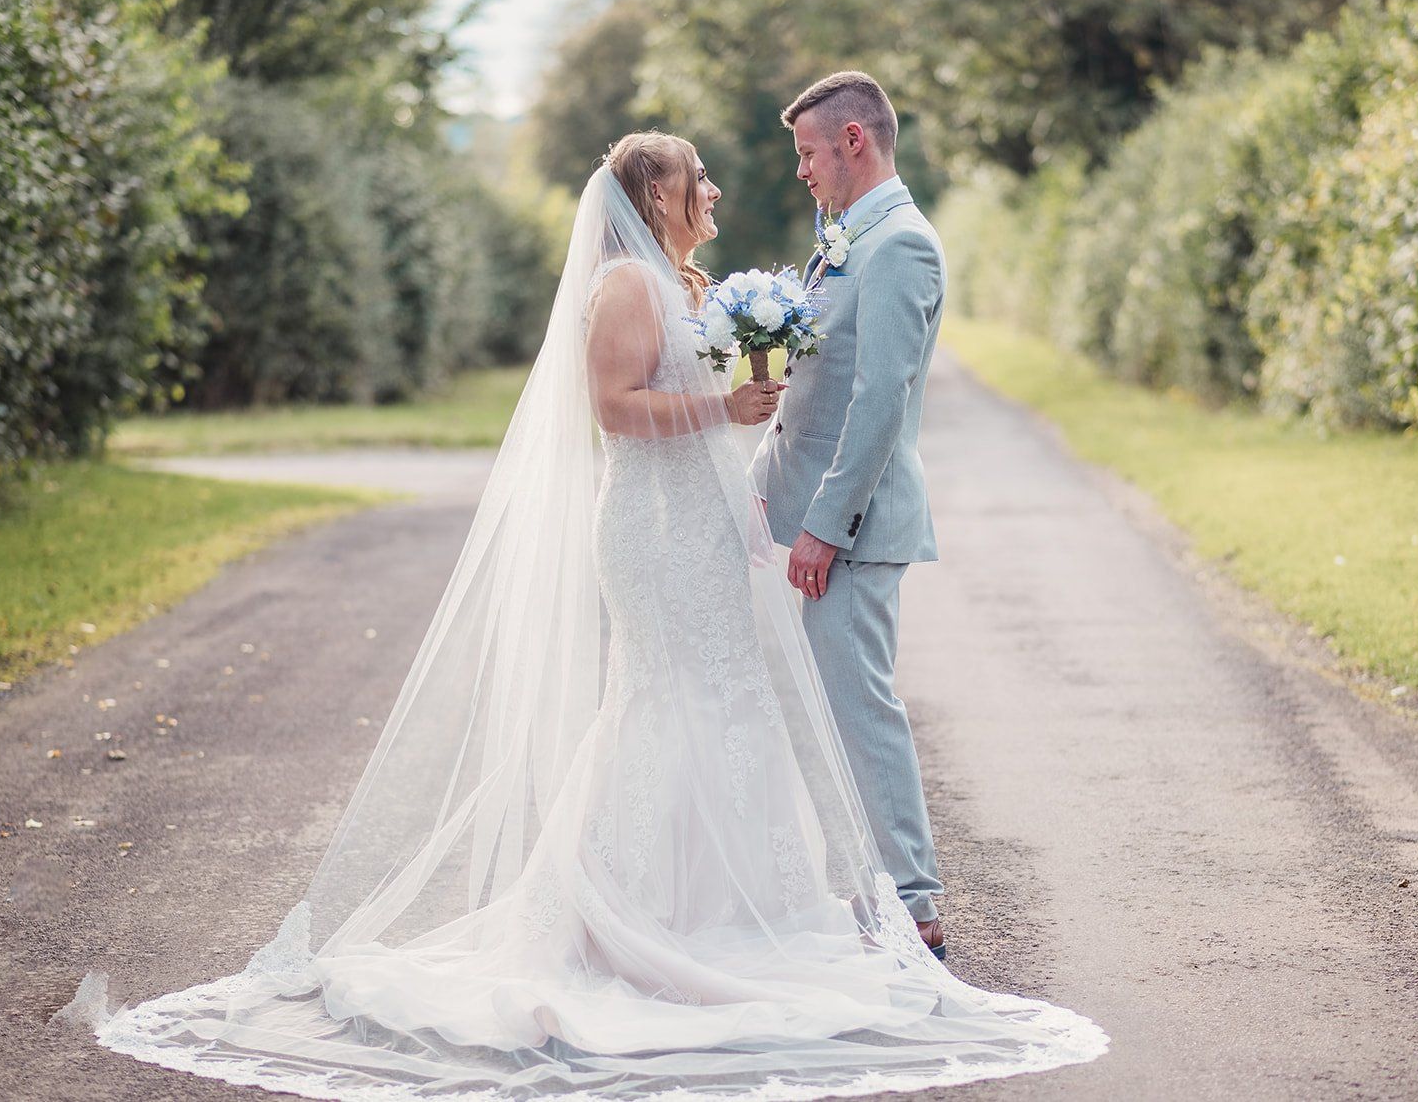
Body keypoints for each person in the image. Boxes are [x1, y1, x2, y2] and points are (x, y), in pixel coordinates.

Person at [62, 130, 1106, 1100]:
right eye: (697, 178)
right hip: (650, 529)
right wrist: (721, 407)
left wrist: (749, 401)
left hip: (698, 522)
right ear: (655, 191)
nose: (714, 191)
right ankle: (627, 921)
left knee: (724, 698)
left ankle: (736, 909)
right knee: (667, 699)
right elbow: (612, 409)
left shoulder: (678, 281)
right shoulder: (621, 284)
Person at [750, 70, 949, 956]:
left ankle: (914, 906)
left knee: (861, 710)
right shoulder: (844, 240)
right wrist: (757, 482)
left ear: (854, 141)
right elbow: (815, 392)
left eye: (808, 152)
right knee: (833, 710)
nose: (802, 170)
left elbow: (879, 401)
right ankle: (870, 893)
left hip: (856, 530)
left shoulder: (900, 245)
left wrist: (826, 524)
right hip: (805, 510)